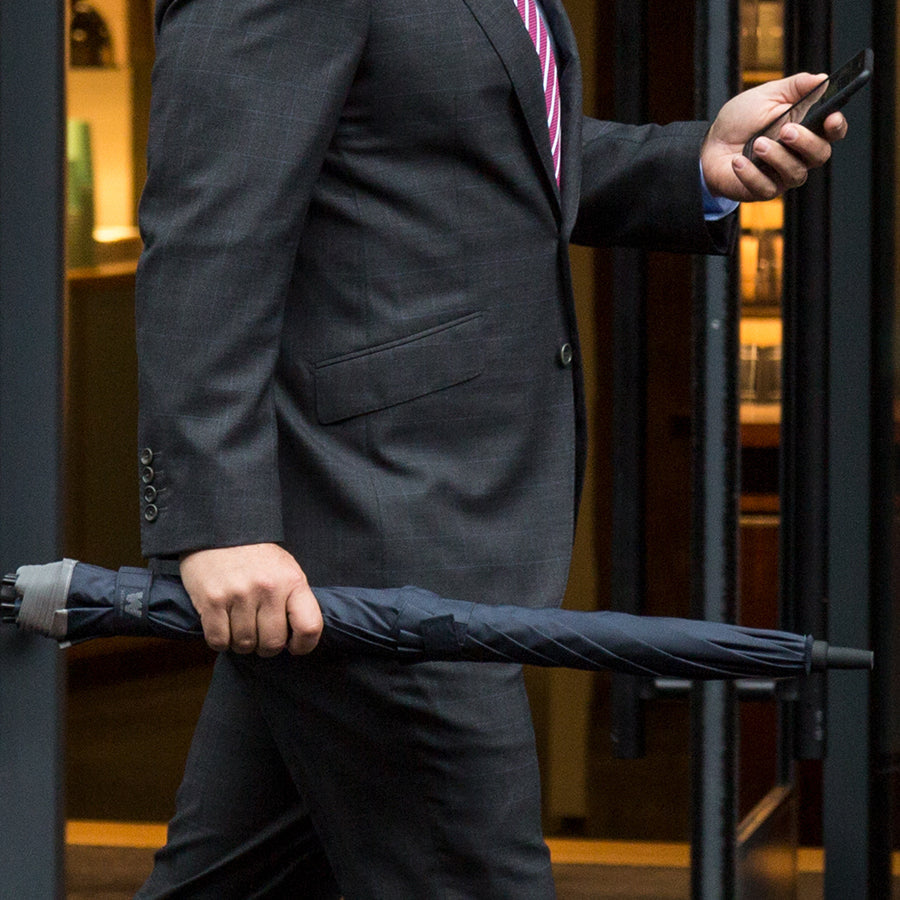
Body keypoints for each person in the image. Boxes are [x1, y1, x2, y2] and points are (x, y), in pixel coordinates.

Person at [133, 1, 846, 896]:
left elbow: (475, 131)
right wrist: (221, 523)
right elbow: (210, 233)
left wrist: (693, 160)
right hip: (381, 527)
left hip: (406, 525)